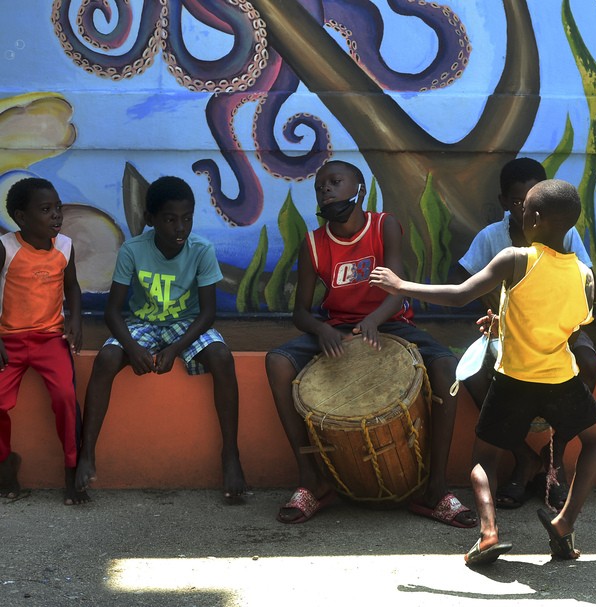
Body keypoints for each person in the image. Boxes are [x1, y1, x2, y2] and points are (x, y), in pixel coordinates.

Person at [371, 178, 596, 565]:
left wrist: (400, 285)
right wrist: (505, 325)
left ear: (532, 216)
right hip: (560, 380)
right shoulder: (584, 274)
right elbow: (568, 325)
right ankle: (564, 523)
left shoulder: (515, 258)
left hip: (513, 379)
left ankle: (488, 535)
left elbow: (461, 293)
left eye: (524, 208)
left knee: (484, 458)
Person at [265, 160, 477, 528]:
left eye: (334, 182)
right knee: (277, 362)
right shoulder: (314, 244)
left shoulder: (384, 225)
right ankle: (310, 480)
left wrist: (373, 321)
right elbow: (300, 312)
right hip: (337, 329)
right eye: (319, 187)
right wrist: (321, 329)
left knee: (445, 366)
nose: (325, 190)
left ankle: (436, 489)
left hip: (390, 322)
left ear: (359, 189)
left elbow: (396, 288)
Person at [73, 176, 247, 502]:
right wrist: (133, 348)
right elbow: (113, 313)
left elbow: (208, 313)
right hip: (142, 323)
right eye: (170, 219)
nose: (180, 227)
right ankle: (86, 455)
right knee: (107, 359)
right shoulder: (133, 250)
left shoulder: (201, 250)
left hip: (185, 325)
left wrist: (176, 349)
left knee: (222, 357)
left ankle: (231, 455)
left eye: (187, 218)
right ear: (151, 220)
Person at [456, 157, 596, 511]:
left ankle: (554, 458)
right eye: (519, 200)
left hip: (559, 333)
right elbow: (471, 290)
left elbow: (580, 299)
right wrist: (497, 320)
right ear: (506, 202)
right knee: (473, 373)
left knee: (588, 361)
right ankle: (524, 459)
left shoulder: (566, 235)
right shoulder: (493, 239)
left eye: (532, 199)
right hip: (507, 332)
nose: (526, 207)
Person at [0, 177, 85, 505]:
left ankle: (71, 470)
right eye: (46, 210)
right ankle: (6, 463)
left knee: (65, 396)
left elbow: (73, 287)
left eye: (58, 208)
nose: (56, 216)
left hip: (51, 339)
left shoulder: (64, 246)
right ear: (22, 217)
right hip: (10, 340)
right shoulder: (7, 247)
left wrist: (75, 319)